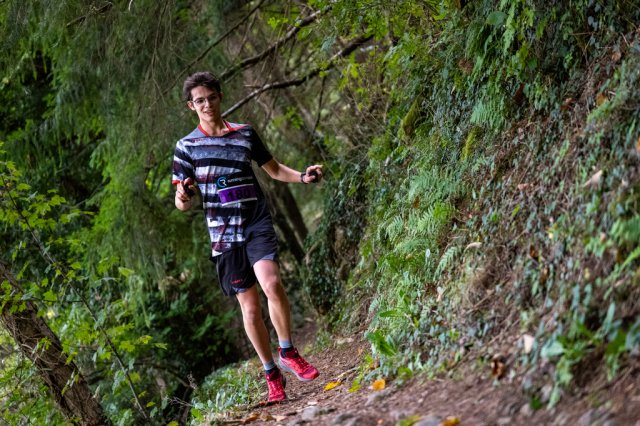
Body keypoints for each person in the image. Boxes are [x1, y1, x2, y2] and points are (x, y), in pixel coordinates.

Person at [172, 71, 322, 402]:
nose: (207, 105)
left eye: (212, 97)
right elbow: (182, 202)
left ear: (220, 97)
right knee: (251, 309)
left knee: (272, 283)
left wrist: (303, 177)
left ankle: (288, 351)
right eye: (200, 101)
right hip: (224, 234)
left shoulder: (245, 134)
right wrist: (184, 194)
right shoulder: (186, 147)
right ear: (191, 106)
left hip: (255, 221)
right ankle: (271, 374)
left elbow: (274, 169)